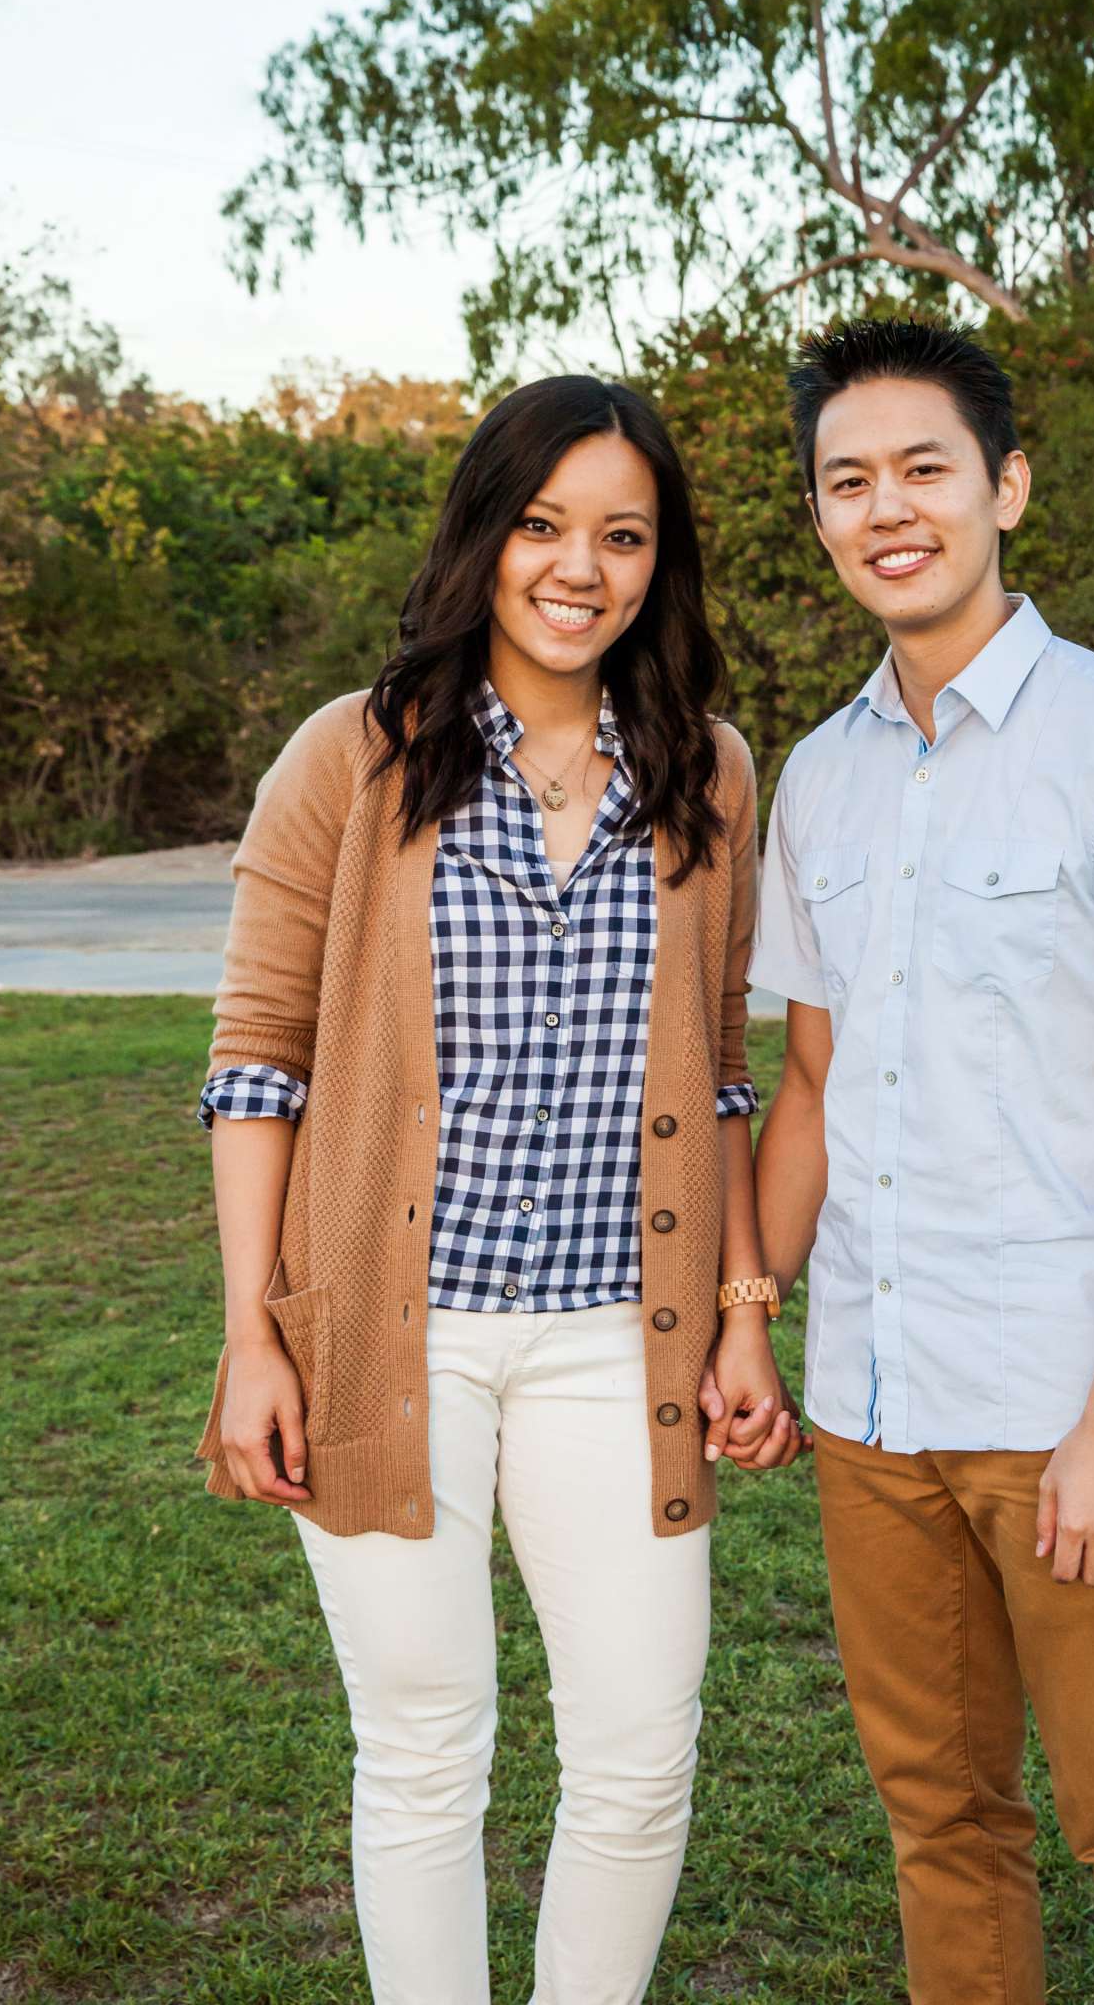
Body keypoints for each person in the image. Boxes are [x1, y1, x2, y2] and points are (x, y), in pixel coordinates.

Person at [193, 374, 803, 2005]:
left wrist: (745, 1314)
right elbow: (258, 1059)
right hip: (395, 1333)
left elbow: (724, 1073)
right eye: (542, 525)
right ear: (485, 533)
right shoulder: (354, 754)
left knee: (639, 1752)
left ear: (658, 561)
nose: (577, 568)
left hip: (624, 1331)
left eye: (621, 533)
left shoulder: (712, 772)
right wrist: (257, 1339)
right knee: (419, 1748)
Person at [747, 318, 1094, 2005]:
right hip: (873, 1405)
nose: (887, 508)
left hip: (1068, 1403)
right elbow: (811, 1085)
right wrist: (750, 1311)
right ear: (820, 517)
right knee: (939, 1817)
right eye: (848, 480)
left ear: (1004, 489)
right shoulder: (817, 781)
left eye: (924, 470)